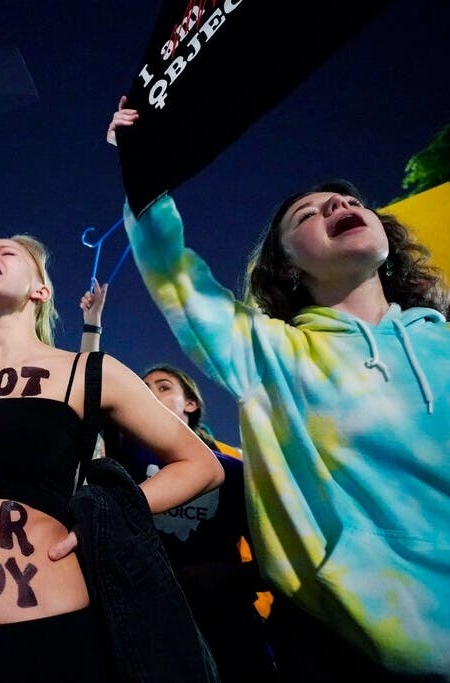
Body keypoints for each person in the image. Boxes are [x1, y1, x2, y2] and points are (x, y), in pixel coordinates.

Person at [0, 136, 224, 682]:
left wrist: (110, 513)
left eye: (8, 253)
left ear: (40, 291)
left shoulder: (87, 371)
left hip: (47, 641)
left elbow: (202, 465)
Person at [112, 103, 450, 681]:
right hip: (343, 644)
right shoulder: (268, 353)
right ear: (288, 266)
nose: (339, 207)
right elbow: (174, 273)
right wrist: (142, 162)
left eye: (348, 202)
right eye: (307, 216)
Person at [79, 283, 278, 681]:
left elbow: (270, 562)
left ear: (191, 403)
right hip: (147, 617)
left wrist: (219, 576)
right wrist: (92, 325)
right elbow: (86, 392)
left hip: (226, 622)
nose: (149, 392)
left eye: (163, 386)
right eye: (142, 386)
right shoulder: (120, 460)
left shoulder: (234, 470)